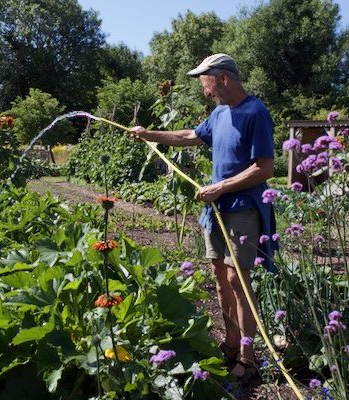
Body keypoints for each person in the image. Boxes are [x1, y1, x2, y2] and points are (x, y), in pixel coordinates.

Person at [130, 53, 277, 383]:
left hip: (242, 206)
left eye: (204, 80)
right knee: (220, 277)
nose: (203, 87)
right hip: (216, 209)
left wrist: (220, 186)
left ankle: (249, 359)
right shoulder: (219, 113)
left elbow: (265, 168)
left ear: (223, 78)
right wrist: (148, 134)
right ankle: (231, 343)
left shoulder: (255, 112)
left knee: (238, 279)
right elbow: (188, 137)